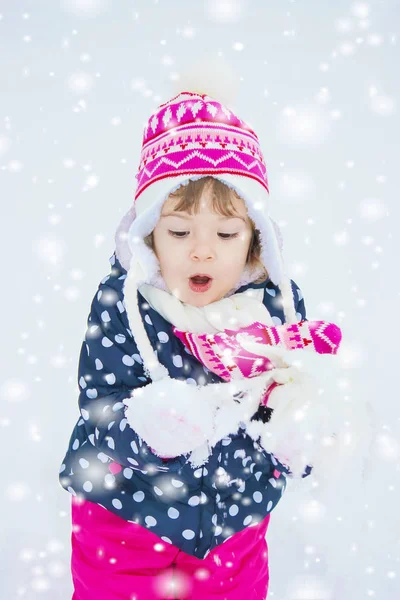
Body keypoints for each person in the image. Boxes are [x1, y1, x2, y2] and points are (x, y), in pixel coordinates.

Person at [59, 90, 348, 599]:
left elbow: (289, 393)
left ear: (256, 240)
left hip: (233, 524)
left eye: (227, 233)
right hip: (124, 522)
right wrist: (147, 426)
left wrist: (292, 433)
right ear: (149, 236)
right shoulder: (125, 304)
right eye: (178, 230)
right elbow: (98, 412)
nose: (202, 249)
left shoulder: (274, 306)